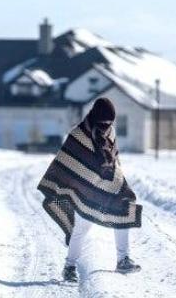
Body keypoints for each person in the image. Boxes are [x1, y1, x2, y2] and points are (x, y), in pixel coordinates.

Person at [37, 97, 142, 283]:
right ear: (95, 117)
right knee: (81, 229)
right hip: (86, 189)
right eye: (104, 122)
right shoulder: (78, 134)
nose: (106, 125)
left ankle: (123, 259)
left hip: (110, 187)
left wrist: (117, 178)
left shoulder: (111, 132)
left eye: (110, 122)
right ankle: (69, 266)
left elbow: (114, 158)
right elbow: (67, 161)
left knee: (124, 212)